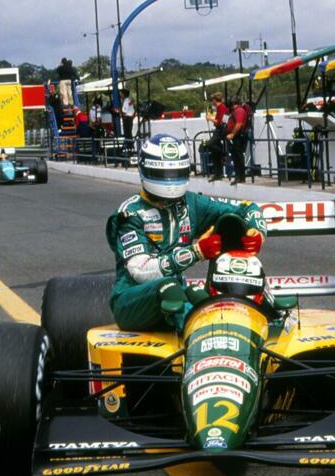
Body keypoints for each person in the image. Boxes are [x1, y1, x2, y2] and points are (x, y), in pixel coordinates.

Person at [105, 134, 266, 331]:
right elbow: (140, 272)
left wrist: (257, 231)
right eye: (163, 174)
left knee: (204, 298)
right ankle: (201, 333)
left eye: (176, 173)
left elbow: (248, 208)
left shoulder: (191, 204)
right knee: (169, 287)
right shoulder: (129, 214)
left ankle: (238, 329)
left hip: (176, 292)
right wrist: (196, 252)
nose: (170, 181)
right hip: (131, 300)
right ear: (145, 170)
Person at [205, 91, 229, 182]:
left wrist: (210, 118)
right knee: (214, 153)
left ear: (215, 100)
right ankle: (218, 174)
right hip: (220, 129)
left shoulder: (221, 107)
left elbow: (219, 122)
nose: (212, 102)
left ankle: (223, 153)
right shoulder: (222, 107)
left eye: (212, 100)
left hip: (220, 130)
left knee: (209, 144)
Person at [225, 97, 248, 184]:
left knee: (238, 157)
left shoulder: (239, 111)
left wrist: (232, 134)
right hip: (234, 137)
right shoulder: (233, 112)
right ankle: (239, 176)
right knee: (235, 157)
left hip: (238, 137)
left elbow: (238, 124)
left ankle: (240, 176)